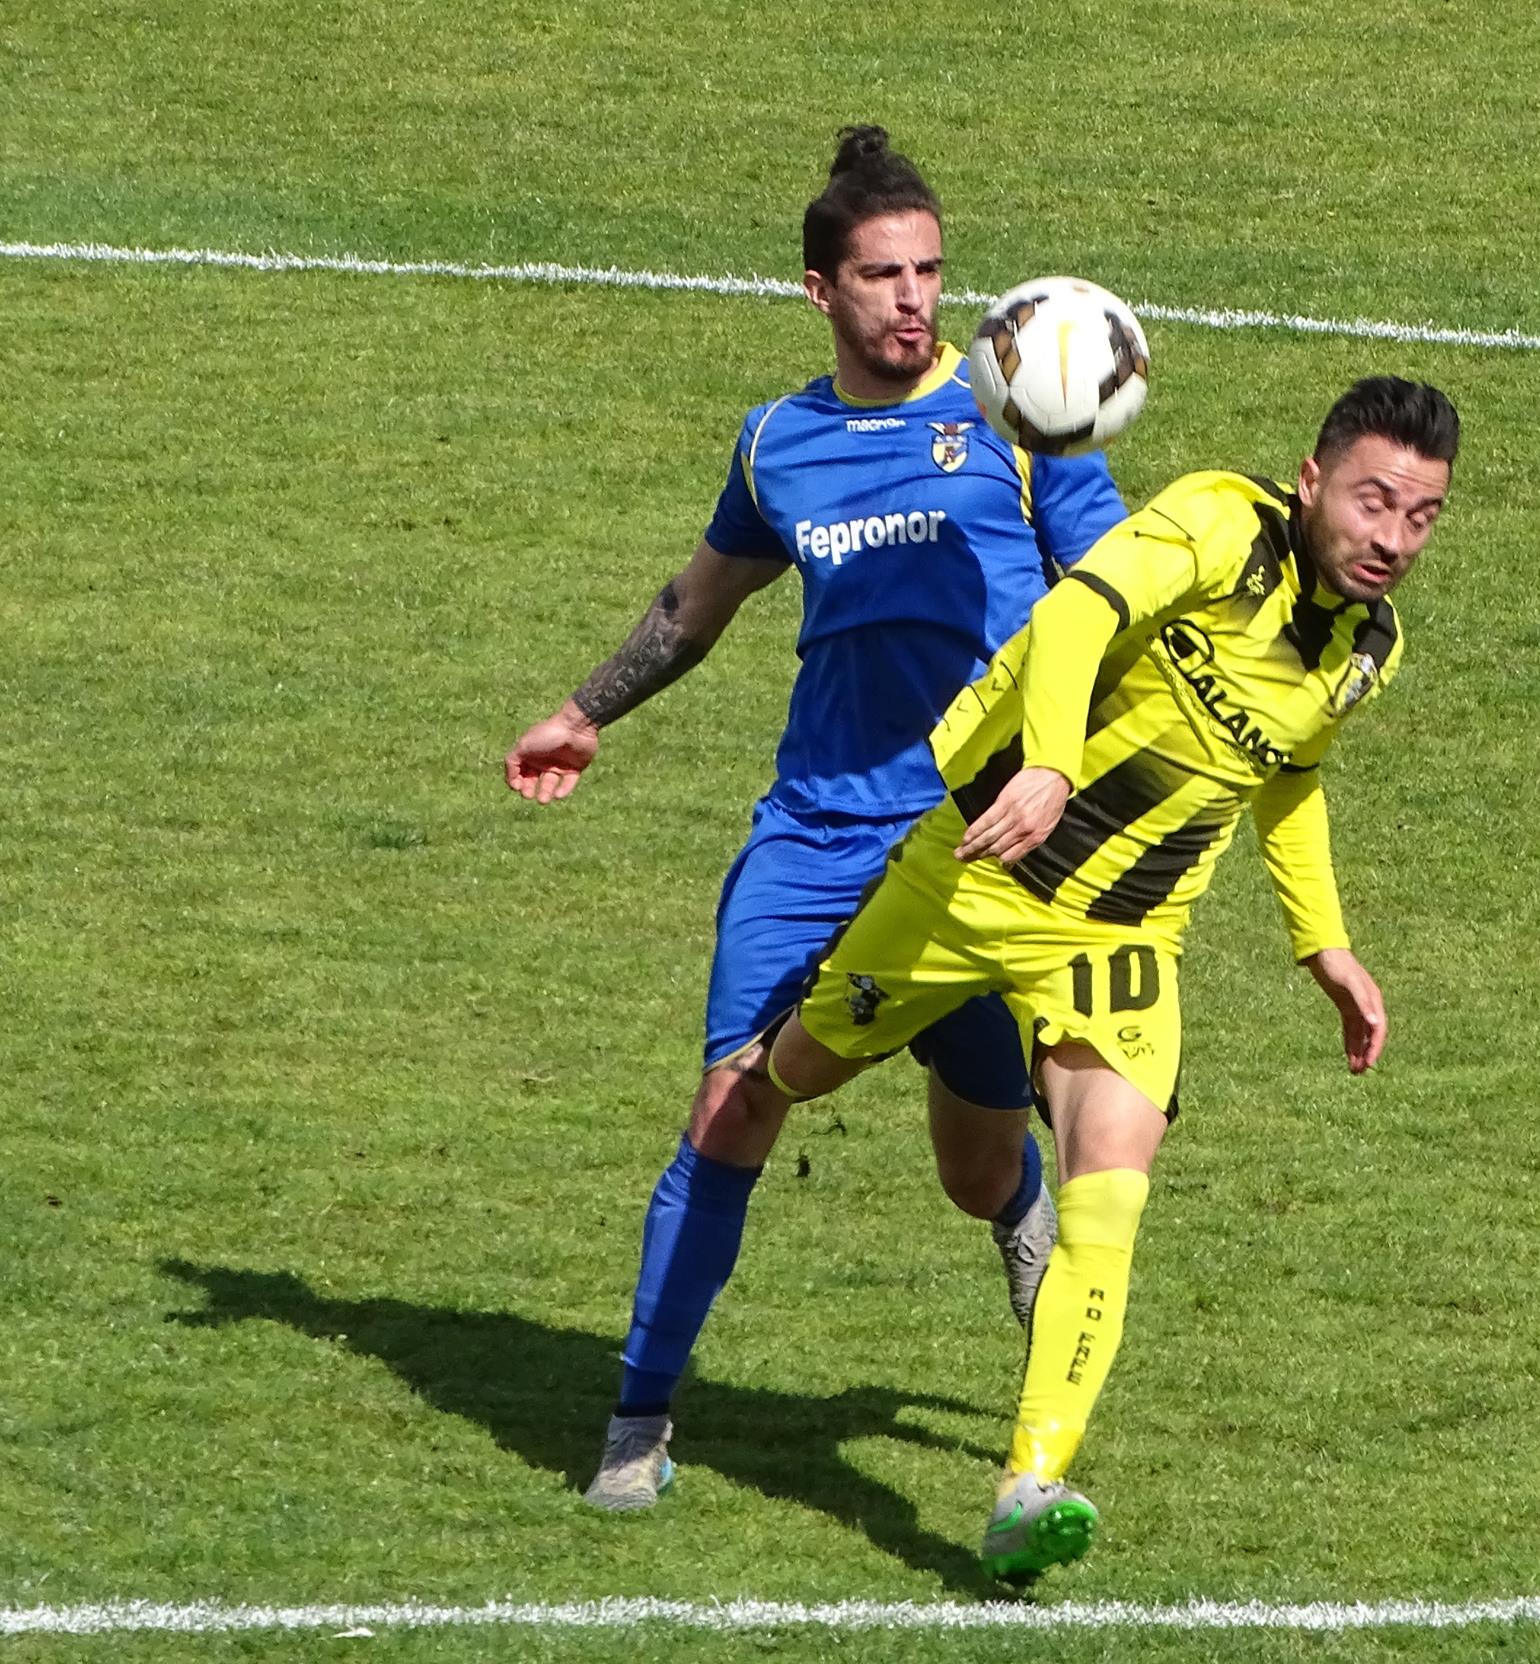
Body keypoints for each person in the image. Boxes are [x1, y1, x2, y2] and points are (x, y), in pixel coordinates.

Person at [504, 126, 1128, 1512]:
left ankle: (1022, 1218)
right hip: (819, 836)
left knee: (975, 1167)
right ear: (818, 291)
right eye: (883, 276)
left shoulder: (1024, 419)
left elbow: (1117, 604)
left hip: (978, 845)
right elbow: (698, 602)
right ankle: (638, 1421)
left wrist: (1072, 772)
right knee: (731, 1104)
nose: (915, 299)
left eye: (931, 272)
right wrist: (587, 710)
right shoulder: (778, 442)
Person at [758, 374, 1461, 1580]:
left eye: (1421, 516)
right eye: (1373, 502)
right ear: (1311, 480)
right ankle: (887, 1031)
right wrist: (1045, 762)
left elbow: (1283, 773)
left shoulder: (1365, 650)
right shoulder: (1212, 525)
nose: (1392, 538)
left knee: (1112, 1194)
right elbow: (1078, 615)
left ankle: (1029, 1481)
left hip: (1122, 936)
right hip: (975, 870)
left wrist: (1322, 941)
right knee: (795, 1071)